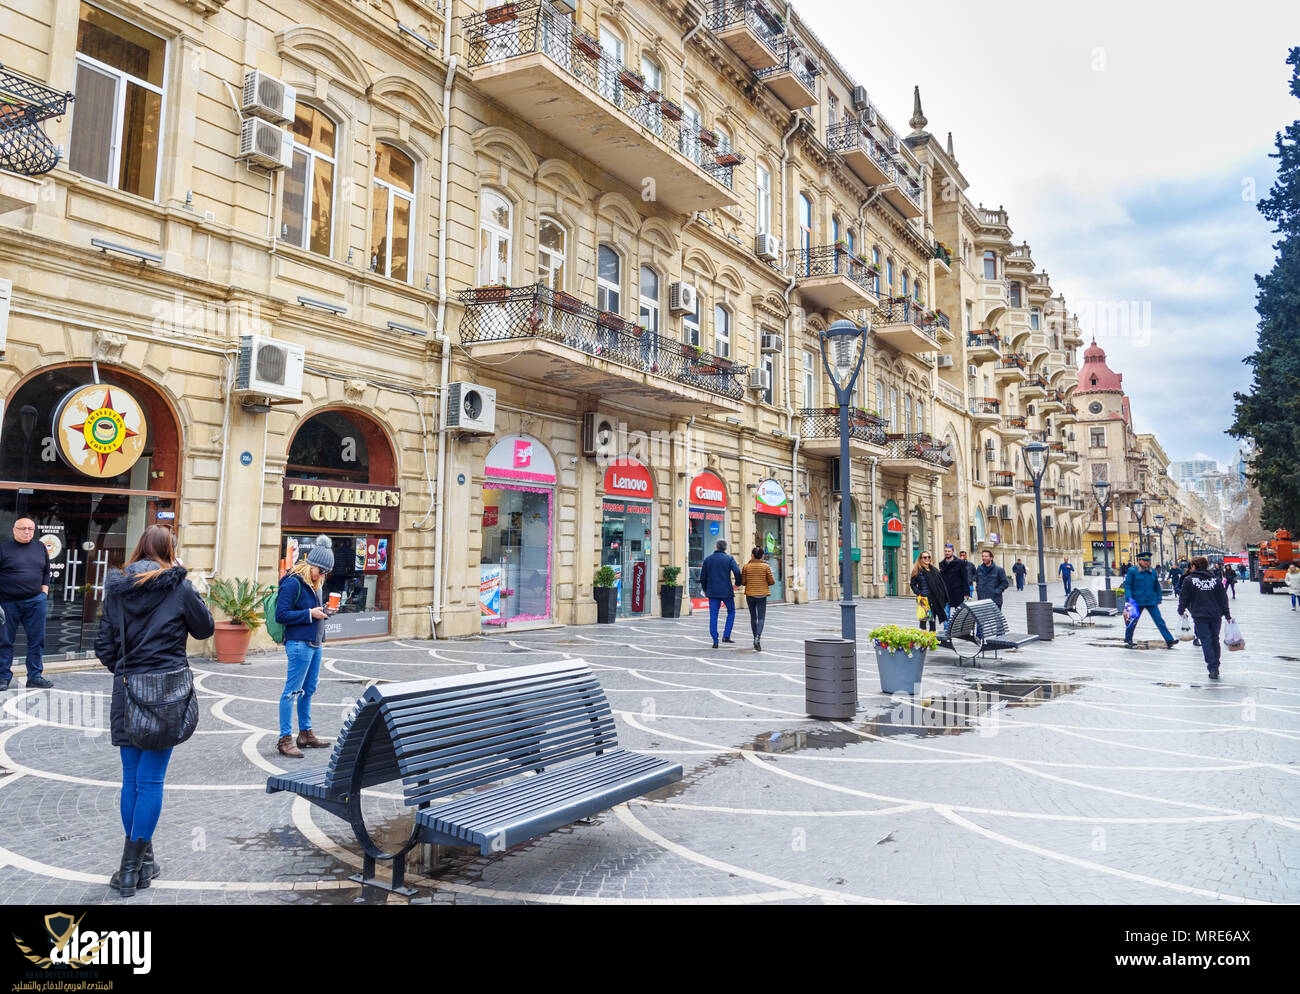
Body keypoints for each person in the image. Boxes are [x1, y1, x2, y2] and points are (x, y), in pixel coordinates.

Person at [93, 525, 214, 897]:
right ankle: (131, 869)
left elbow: (103, 646)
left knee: (132, 779)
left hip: (128, 689)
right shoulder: (178, 587)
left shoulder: (117, 589)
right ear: (169, 551)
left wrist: (128, 670)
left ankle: (140, 864)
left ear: (138, 549)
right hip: (166, 692)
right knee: (150, 781)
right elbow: (206, 628)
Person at [275, 543, 337, 758]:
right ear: (311, 565)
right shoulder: (293, 583)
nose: (323, 575)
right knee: (291, 692)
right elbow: (281, 615)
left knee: (308, 690)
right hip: (299, 644)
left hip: (315, 643)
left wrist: (327, 611)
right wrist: (310, 614)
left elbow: (314, 613)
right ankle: (284, 739)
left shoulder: (314, 583)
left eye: (326, 572)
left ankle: (305, 733)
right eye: (321, 570)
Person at [0, 516, 54, 691]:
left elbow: (46, 569)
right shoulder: (3, 548)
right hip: (8, 602)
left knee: (36, 640)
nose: (26, 531)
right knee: (4, 641)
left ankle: (35, 676)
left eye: (30, 528)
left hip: (35, 601)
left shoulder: (39, 547)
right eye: (22, 528)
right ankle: (3, 677)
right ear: (14, 529)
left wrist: (44, 590)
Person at [1177, 555, 1232, 680]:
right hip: (1215, 614)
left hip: (1200, 615)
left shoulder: (1189, 580)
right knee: (1214, 640)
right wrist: (1227, 615)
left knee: (1206, 641)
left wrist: (1181, 611)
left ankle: (1212, 667)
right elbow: (1223, 598)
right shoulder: (1215, 580)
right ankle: (1216, 666)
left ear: (1194, 566)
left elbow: (1183, 598)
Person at [1123, 551, 1176, 649]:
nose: (1147, 562)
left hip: (1151, 600)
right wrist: (1129, 599)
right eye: (1145, 560)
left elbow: (1157, 586)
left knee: (1159, 621)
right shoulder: (1132, 571)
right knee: (1133, 620)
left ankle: (1169, 640)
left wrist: (1159, 597)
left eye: (1148, 561)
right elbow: (1127, 586)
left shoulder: (1152, 572)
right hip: (1136, 601)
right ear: (1139, 561)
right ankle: (1128, 638)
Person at [698, 539, 741, 649]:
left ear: (716, 547)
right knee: (731, 611)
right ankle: (726, 635)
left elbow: (703, 577)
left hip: (712, 591)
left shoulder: (708, 559)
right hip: (726, 591)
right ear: (725, 548)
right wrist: (737, 584)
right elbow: (737, 572)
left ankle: (715, 640)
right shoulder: (729, 559)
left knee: (713, 615)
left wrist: (705, 589)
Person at [738, 547, 775, 651]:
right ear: (762, 556)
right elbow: (772, 581)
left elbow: (743, 582)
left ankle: (755, 637)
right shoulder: (765, 567)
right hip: (762, 595)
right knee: (761, 618)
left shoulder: (746, 567)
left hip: (750, 595)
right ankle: (757, 637)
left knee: (753, 617)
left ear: (752, 555)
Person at [909, 551, 948, 632]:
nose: (927, 559)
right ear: (920, 559)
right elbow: (912, 584)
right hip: (923, 599)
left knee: (932, 621)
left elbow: (940, 584)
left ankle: (931, 641)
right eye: (925, 557)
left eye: (928, 557)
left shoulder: (934, 570)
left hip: (934, 599)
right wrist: (919, 593)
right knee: (923, 621)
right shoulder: (917, 570)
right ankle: (923, 642)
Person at [939, 545, 972, 613]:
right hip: (946, 593)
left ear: (952, 552)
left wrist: (966, 593)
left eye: (949, 551)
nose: (947, 553)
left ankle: (956, 624)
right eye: (946, 551)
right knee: (946, 614)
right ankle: (947, 624)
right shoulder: (942, 563)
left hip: (958, 592)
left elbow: (965, 578)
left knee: (958, 613)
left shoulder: (960, 563)